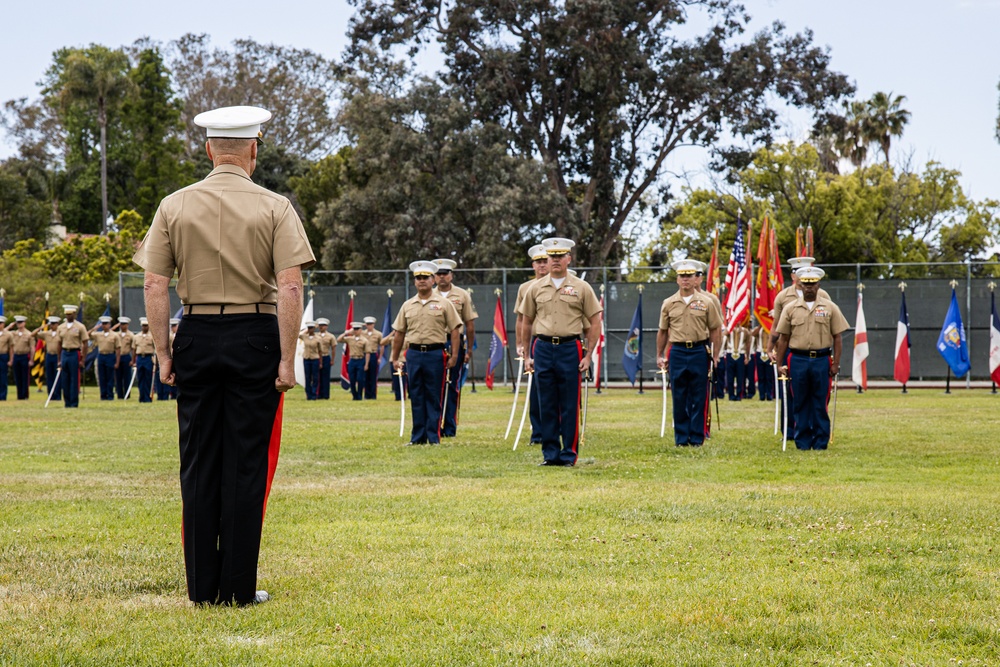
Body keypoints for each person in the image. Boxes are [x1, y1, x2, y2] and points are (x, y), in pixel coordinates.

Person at [134, 104, 315, 606]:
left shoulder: (173, 205)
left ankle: (201, 588)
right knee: (245, 463)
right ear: (253, 149)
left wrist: (164, 353)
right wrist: (284, 358)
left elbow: (153, 284)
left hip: (194, 332)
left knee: (197, 463)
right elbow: (291, 286)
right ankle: (236, 587)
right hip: (255, 334)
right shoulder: (276, 206)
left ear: (210, 148)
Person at [517, 238, 602, 466]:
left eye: (559, 256)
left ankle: (568, 454)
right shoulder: (535, 288)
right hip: (542, 347)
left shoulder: (582, 288)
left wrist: (588, 355)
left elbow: (595, 321)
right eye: (551, 256)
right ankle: (550, 454)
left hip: (569, 347)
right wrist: (526, 356)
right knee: (546, 402)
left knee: (569, 403)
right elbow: (526, 322)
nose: (555, 260)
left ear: (568, 259)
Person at [773, 266, 848, 451]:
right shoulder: (790, 308)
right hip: (798, 359)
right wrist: (780, 364)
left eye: (812, 284)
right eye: (805, 284)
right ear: (800, 284)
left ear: (818, 285)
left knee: (820, 401)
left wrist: (836, 363)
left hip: (821, 359)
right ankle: (803, 442)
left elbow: (838, 337)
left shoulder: (830, 307)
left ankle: (821, 441)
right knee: (800, 401)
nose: (809, 287)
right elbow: (783, 338)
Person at [391, 261, 462, 445]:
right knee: (415, 394)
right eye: (418, 278)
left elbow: (455, 329)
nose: (422, 281)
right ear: (414, 282)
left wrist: (454, 356)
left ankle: (433, 436)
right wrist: (394, 357)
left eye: (425, 277)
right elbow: (399, 333)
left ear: (433, 280)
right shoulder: (407, 305)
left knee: (434, 395)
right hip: (413, 354)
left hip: (435, 354)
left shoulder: (444, 304)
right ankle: (417, 437)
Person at [656, 259, 723, 447]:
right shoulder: (668, 303)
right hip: (677, 351)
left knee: (699, 395)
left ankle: (696, 438)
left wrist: (715, 355)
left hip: (699, 351)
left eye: (689, 276)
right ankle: (681, 438)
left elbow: (715, 330)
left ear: (696, 279)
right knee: (679, 395)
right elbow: (662, 331)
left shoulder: (707, 302)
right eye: (682, 276)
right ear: (677, 279)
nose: (685, 279)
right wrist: (660, 354)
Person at [766, 257, 830, 423]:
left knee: (817, 392)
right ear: (793, 275)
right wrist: (769, 348)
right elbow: (776, 326)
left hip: (816, 349)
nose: (802, 277)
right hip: (790, 348)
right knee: (791, 391)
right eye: (798, 272)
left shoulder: (822, 295)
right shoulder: (783, 296)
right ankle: (790, 429)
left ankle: (813, 427)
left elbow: (829, 323)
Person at [432, 258, 478, 437]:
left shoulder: (462, 295)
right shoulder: (429, 294)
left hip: (455, 343)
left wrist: (469, 350)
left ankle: (449, 427)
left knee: (452, 386)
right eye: (438, 274)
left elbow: (470, 324)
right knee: (434, 385)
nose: (442, 277)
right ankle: (434, 425)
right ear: (434, 276)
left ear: (451, 276)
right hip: (434, 342)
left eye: (445, 274)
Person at [514, 244, 549, 445]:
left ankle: (559, 429)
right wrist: (521, 344)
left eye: (545, 261)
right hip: (536, 341)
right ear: (533, 265)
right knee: (535, 391)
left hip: (556, 340)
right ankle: (537, 433)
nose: (542, 266)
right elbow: (521, 319)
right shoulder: (525, 288)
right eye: (539, 262)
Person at [56, 305, 89, 408]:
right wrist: (59, 359)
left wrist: (83, 359)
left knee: (74, 379)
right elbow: (58, 343)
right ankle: (67, 402)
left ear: (74, 314)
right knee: (65, 379)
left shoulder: (80, 327)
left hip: (75, 353)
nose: (68, 316)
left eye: (70, 314)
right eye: (67, 315)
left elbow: (85, 343)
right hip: (65, 353)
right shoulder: (61, 327)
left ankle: (74, 403)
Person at [91, 316, 121, 400]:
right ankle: (103, 395)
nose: (104, 326)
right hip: (101, 355)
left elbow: (118, 349)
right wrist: (96, 328)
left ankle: (110, 395)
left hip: (110, 355)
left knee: (110, 377)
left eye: (106, 324)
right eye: (103, 324)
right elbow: (88, 334)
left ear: (109, 324)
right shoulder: (99, 334)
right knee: (102, 377)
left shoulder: (115, 335)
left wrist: (117, 362)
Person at [337, 322, 368, 400]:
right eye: (354, 329)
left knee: (360, 379)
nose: (356, 331)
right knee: (352, 379)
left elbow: (367, 353)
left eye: (357, 329)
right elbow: (339, 339)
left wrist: (366, 364)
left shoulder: (364, 340)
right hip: (352, 360)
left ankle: (360, 395)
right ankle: (354, 396)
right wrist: (346, 332)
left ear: (361, 330)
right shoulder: (350, 339)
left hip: (360, 360)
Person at [36, 316, 63, 402]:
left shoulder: (61, 333)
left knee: (57, 377)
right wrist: (41, 327)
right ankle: (50, 395)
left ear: (58, 324)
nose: (52, 326)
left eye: (54, 324)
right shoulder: (46, 333)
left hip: (58, 356)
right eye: (51, 324)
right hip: (49, 356)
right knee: (49, 377)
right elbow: (32, 334)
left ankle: (57, 395)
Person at [9, 316, 35, 400]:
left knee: (25, 377)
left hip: (24, 356)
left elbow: (32, 348)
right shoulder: (13, 333)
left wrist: (31, 359)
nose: (19, 324)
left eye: (20, 322)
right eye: (17, 322)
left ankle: (25, 395)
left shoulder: (29, 334)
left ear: (24, 323)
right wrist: (10, 326)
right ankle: (19, 395)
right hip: (16, 356)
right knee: (17, 377)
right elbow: (3, 332)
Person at [133, 317, 155, 403]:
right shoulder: (137, 336)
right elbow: (134, 349)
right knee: (140, 378)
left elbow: (155, 348)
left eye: (146, 326)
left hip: (148, 358)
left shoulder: (152, 336)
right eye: (143, 326)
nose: (144, 327)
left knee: (148, 378)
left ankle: (147, 397)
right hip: (139, 358)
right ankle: (141, 397)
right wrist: (133, 360)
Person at [299, 321, 322, 400]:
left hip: (315, 359)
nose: (310, 329)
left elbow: (320, 351)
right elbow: (299, 335)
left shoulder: (318, 338)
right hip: (306, 359)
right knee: (307, 377)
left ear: (314, 329)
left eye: (311, 328)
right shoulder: (305, 336)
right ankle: (308, 395)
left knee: (315, 378)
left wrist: (320, 363)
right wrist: (306, 330)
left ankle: (314, 394)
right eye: (309, 328)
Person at [362, 316, 383, 399]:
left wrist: (380, 358)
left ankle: (373, 395)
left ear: (374, 324)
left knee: (373, 376)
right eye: (367, 324)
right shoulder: (362, 333)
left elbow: (382, 346)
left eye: (370, 324)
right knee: (365, 376)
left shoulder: (378, 334)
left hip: (373, 354)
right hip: (364, 355)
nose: (369, 325)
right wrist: (361, 326)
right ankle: (366, 395)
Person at [115, 317, 136, 399]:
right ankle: (119, 394)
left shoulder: (131, 335)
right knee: (118, 377)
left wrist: (132, 360)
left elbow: (133, 348)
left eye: (124, 324)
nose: (122, 326)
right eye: (121, 324)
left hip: (126, 356)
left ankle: (127, 394)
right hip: (118, 357)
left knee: (127, 377)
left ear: (127, 325)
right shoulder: (116, 335)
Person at [315, 318, 334, 399]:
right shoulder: (315, 335)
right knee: (317, 377)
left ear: (327, 326)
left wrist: (332, 359)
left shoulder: (330, 336)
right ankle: (318, 394)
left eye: (323, 325)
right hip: (316, 357)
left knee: (325, 377)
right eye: (320, 325)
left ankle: (326, 395)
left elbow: (333, 348)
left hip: (326, 356)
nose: (321, 327)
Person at [0, 316, 11, 401]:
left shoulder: (8, 334)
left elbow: (11, 348)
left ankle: (3, 396)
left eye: (0, 323)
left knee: (3, 377)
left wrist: (11, 360)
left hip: (3, 356)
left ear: (3, 324)